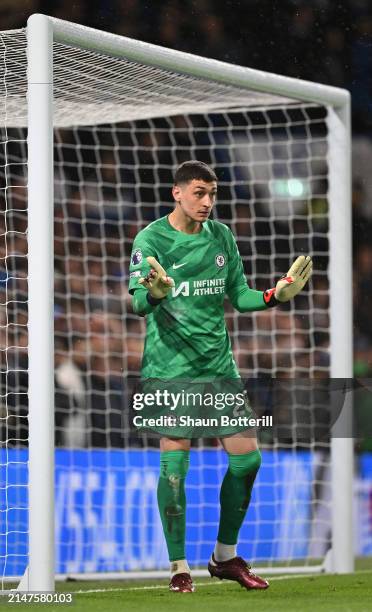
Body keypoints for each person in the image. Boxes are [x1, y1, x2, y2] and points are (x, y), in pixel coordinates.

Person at [128, 160, 312, 593]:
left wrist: (273, 295)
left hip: (218, 369)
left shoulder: (222, 237)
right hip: (170, 370)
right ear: (177, 193)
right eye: (198, 192)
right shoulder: (151, 238)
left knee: (248, 460)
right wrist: (153, 294)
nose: (207, 202)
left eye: (212, 193)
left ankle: (224, 557)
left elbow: (240, 295)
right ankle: (178, 566)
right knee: (175, 469)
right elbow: (138, 304)